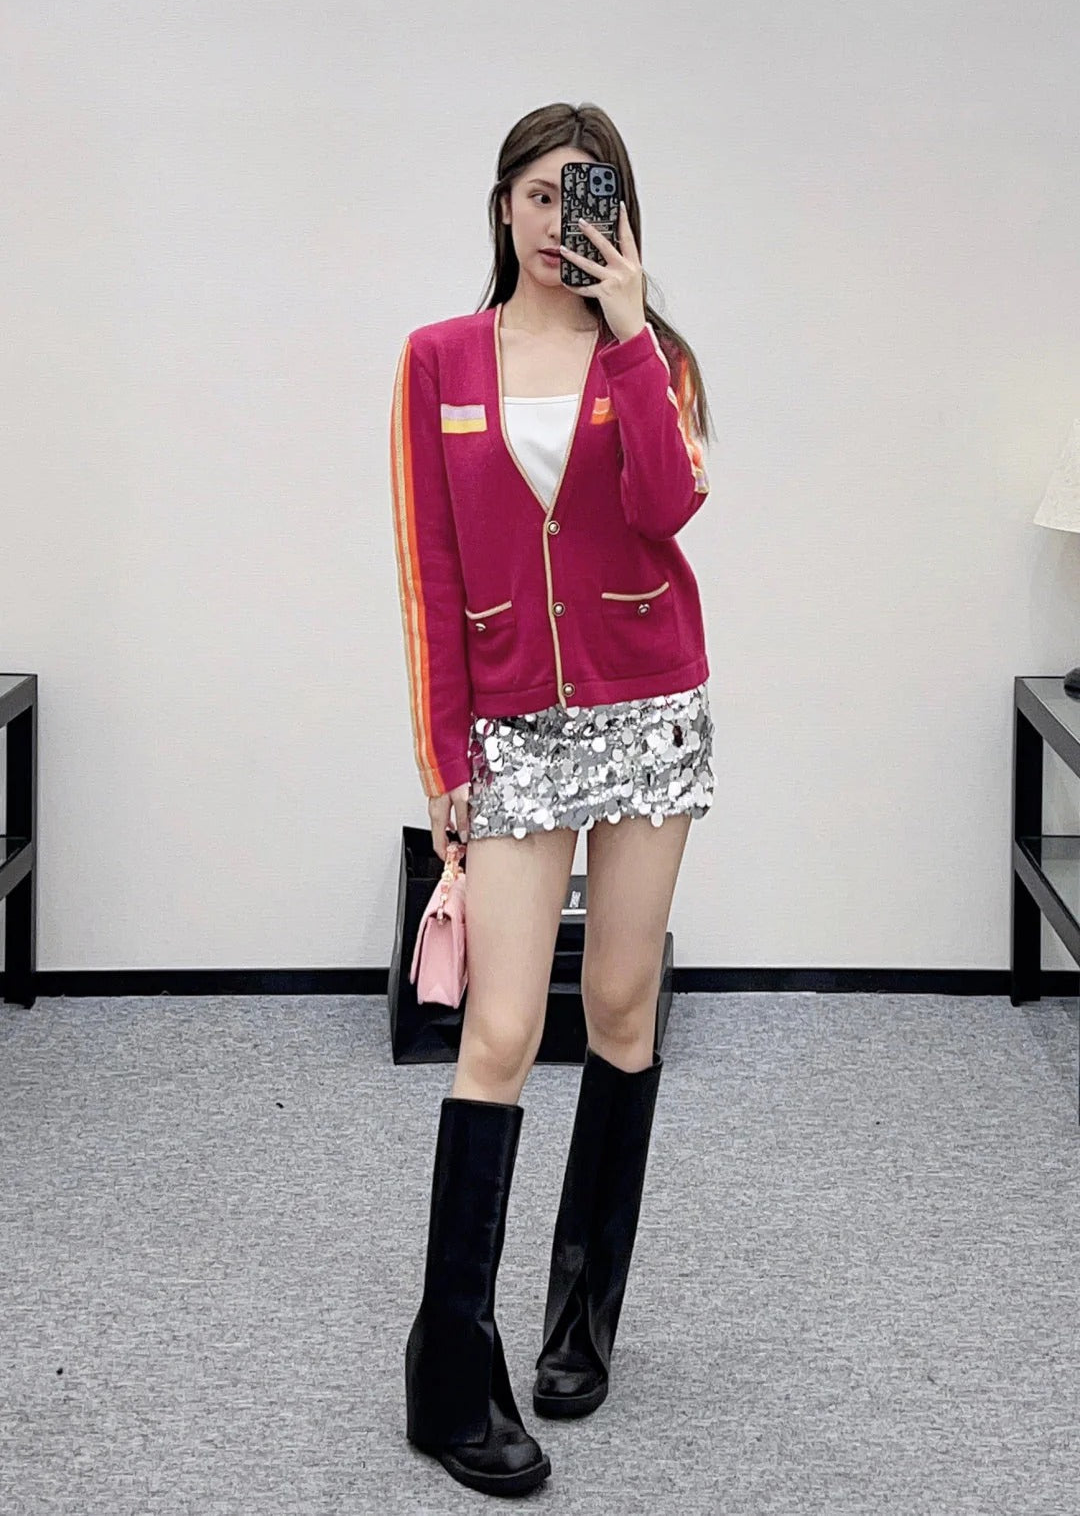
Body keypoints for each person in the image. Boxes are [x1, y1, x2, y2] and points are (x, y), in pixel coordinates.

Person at [389, 101, 715, 1497]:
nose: (551, 219)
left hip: (648, 709)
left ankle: (581, 1320)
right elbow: (429, 574)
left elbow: (668, 508)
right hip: (515, 723)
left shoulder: (655, 357)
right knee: (504, 1028)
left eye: (580, 195)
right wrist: (447, 766)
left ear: (616, 213)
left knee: (623, 1010)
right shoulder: (438, 359)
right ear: (501, 206)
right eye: (533, 193)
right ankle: (448, 1373)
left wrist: (630, 330)